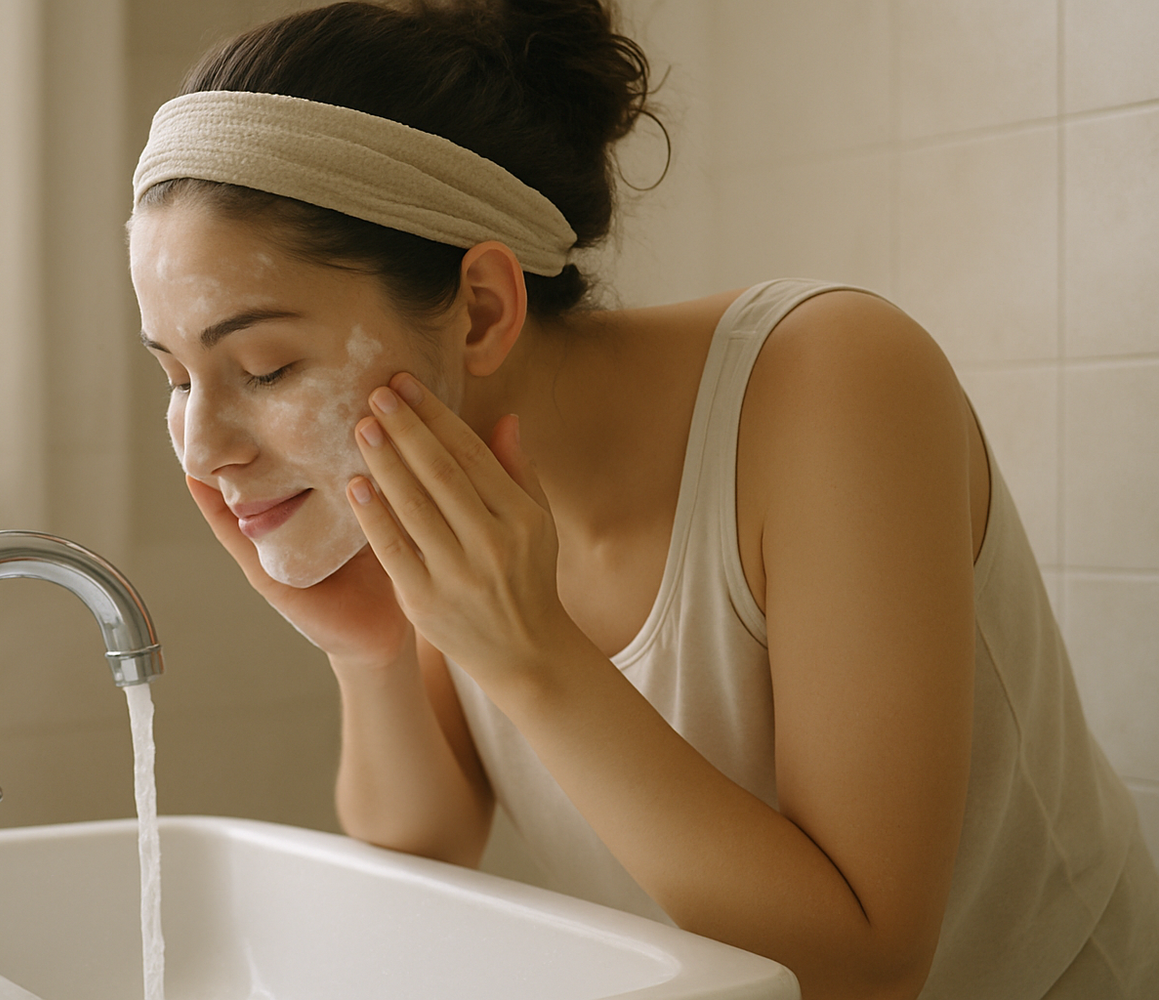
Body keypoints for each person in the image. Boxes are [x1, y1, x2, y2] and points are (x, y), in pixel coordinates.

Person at [126, 1, 1159, 996]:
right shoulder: (452, 490)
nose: (203, 448)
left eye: (262, 367)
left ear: (480, 309)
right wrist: (371, 654)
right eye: (175, 377)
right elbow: (428, 852)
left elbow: (866, 972)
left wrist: (532, 656)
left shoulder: (834, 383)